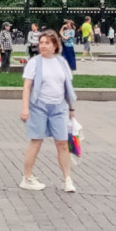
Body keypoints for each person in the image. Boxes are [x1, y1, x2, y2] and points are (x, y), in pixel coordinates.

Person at [19, 30, 77, 193]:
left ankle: (67, 179)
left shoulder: (61, 62)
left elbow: (67, 86)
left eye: (47, 43)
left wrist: (71, 107)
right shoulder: (34, 62)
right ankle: (27, 177)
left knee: (63, 143)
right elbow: (27, 86)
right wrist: (25, 108)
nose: (43, 46)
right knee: (36, 140)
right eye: (41, 42)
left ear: (55, 46)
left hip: (59, 106)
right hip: (39, 106)